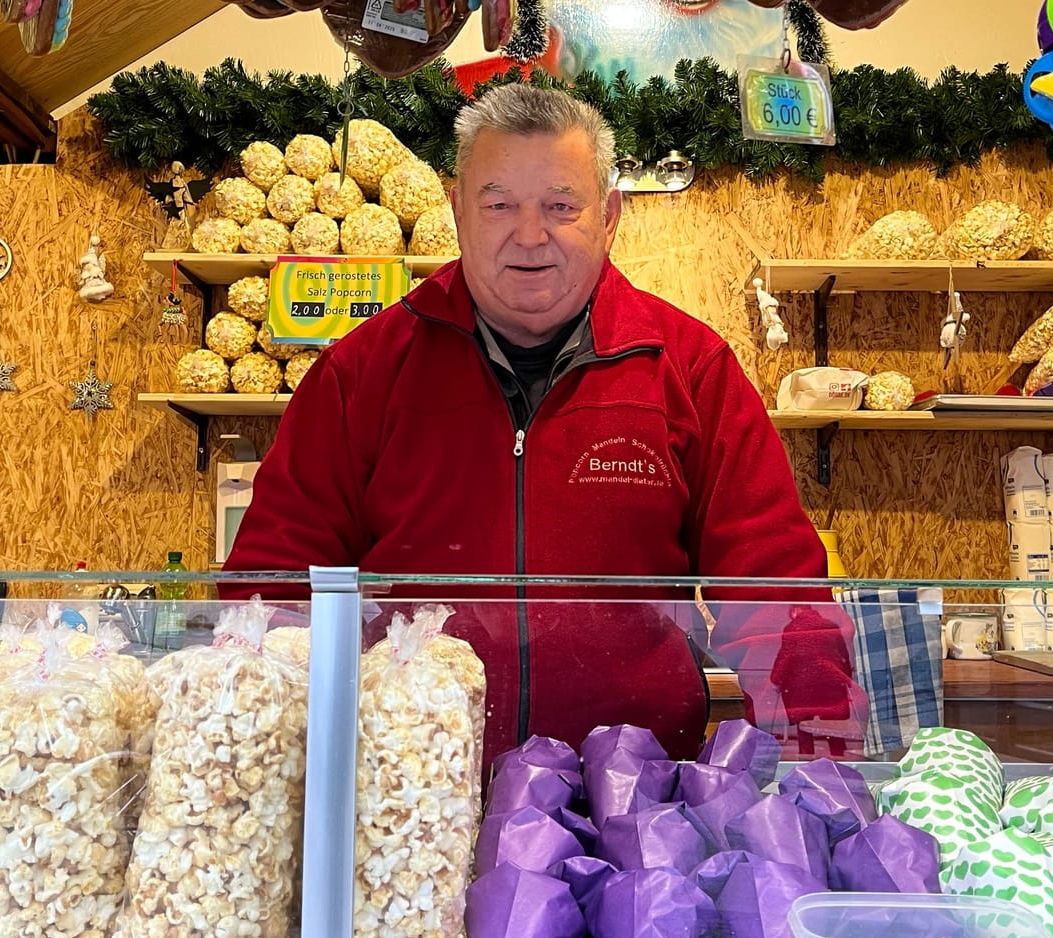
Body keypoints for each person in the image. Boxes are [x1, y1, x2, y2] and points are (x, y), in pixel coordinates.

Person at [223, 84, 861, 759]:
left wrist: (820, 766)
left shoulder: (689, 369)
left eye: (561, 206)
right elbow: (272, 595)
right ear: (458, 211)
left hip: (632, 813)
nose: (529, 236)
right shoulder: (361, 375)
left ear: (609, 216)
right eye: (499, 205)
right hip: (411, 809)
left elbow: (776, 590)